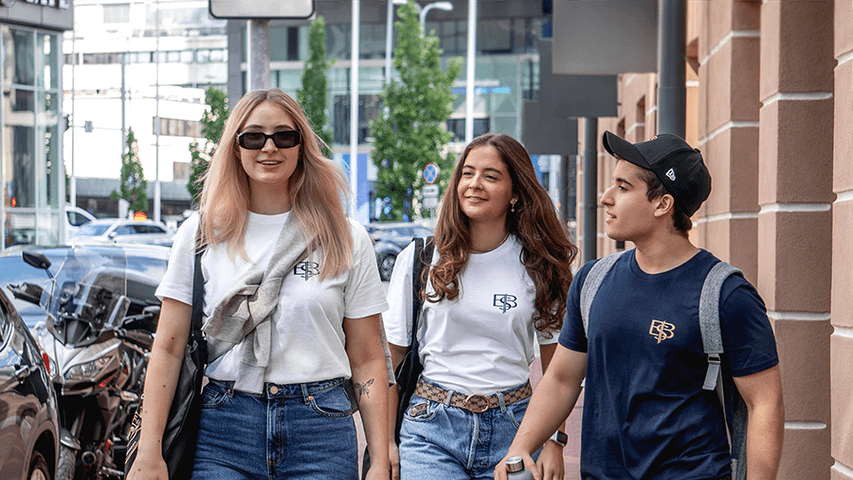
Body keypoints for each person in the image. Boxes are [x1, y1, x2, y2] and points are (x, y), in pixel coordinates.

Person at [127, 88, 390, 480]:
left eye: (284, 136)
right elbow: (168, 346)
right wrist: (149, 450)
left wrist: (380, 460)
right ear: (236, 148)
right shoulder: (201, 234)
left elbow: (367, 357)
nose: (269, 147)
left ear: (302, 146)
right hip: (224, 429)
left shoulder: (345, 237)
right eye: (254, 137)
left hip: (320, 430)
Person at [496, 131, 785, 480]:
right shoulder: (592, 281)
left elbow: (764, 402)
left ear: (662, 204)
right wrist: (521, 447)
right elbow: (561, 379)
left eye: (622, 187)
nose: (605, 198)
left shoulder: (725, 294)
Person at [383, 133, 578, 480]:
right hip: (431, 429)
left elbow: (557, 371)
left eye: (491, 176)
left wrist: (554, 440)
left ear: (516, 192)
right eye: (467, 173)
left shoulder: (540, 265)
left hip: (517, 430)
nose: (474, 184)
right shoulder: (421, 258)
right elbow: (392, 360)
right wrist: (385, 443)